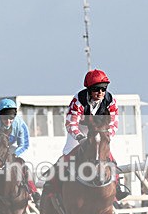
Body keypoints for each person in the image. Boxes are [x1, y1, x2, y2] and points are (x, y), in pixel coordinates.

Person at [44, 69, 128, 202]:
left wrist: (106, 137)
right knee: (67, 156)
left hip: (100, 130)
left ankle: (117, 188)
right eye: (96, 89)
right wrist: (80, 138)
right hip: (80, 129)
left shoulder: (110, 100)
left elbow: (114, 123)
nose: (100, 92)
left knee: (109, 157)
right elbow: (71, 123)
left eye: (103, 89)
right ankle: (52, 185)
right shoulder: (78, 100)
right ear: (89, 89)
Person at [0, 98, 39, 199]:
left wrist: (15, 154)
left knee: (24, 166)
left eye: (11, 118)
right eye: (5, 119)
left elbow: (24, 145)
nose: (8, 121)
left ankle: (33, 191)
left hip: (13, 146)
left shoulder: (20, 125)